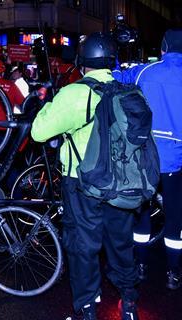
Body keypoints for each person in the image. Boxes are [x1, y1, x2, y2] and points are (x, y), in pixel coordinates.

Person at [31, 33, 139, 320]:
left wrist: (48, 104)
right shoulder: (128, 90)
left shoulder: (74, 93)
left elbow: (39, 132)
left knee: (83, 246)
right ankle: (128, 303)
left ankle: (88, 308)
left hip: (82, 184)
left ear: (81, 62)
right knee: (120, 243)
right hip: (121, 182)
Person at [112, 28, 182, 290]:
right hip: (176, 161)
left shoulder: (146, 72)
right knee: (176, 217)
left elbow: (117, 77)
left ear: (163, 48)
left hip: (146, 158)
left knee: (141, 215)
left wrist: (117, 61)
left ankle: (140, 266)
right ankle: (173, 273)